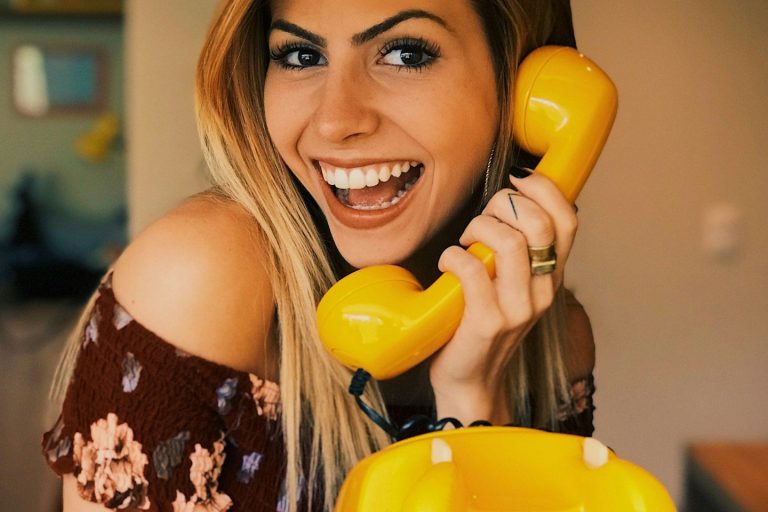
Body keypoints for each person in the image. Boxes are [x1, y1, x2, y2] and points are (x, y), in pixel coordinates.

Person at [42, 0, 596, 510]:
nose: (335, 120)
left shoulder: (555, 347)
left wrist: (473, 402)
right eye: (301, 55)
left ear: (522, 88)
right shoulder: (200, 278)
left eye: (405, 53)